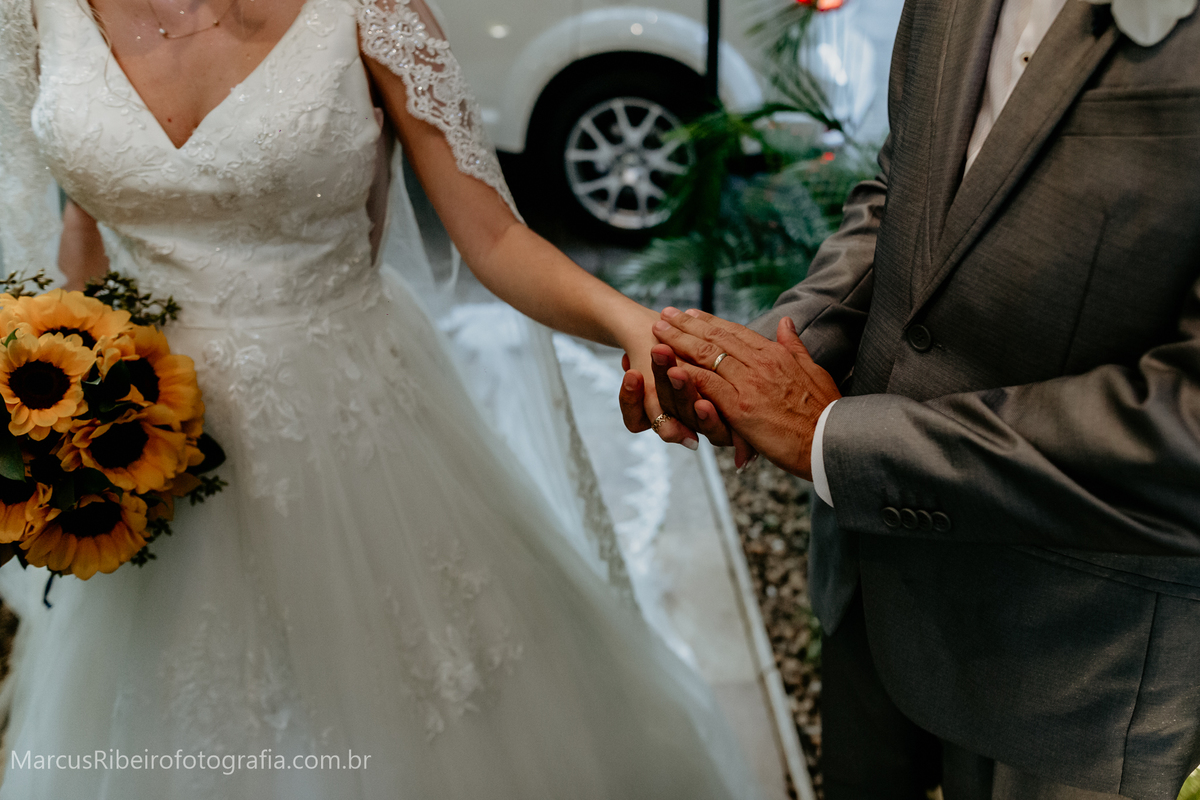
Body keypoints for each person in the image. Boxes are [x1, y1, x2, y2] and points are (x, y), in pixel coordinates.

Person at [0, 0, 763, 797]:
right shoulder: (38, 12)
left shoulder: (372, 11)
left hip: (349, 419)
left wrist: (630, 321)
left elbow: (494, 236)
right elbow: (79, 216)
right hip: (137, 442)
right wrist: (59, 405)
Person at [621, 1, 1200, 798]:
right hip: (869, 585)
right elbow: (904, 196)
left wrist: (834, 439)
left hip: (1073, 658)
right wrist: (750, 363)